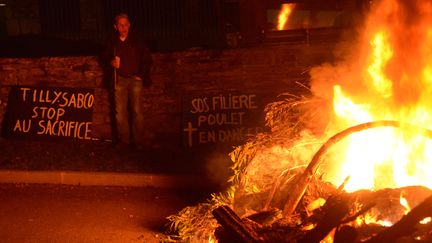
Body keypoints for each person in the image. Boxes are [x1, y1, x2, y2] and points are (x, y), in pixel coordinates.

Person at [101, 13, 152, 148]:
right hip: (120, 80)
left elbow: (147, 58)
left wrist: (141, 74)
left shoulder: (137, 40)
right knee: (120, 112)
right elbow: (104, 57)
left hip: (135, 79)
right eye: (120, 25)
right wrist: (110, 61)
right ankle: (124, 141)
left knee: (137, 111)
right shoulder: (112, 42)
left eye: (126, 25)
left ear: (129, 25)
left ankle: (138, 141)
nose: (124, 27)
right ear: (116, 27)